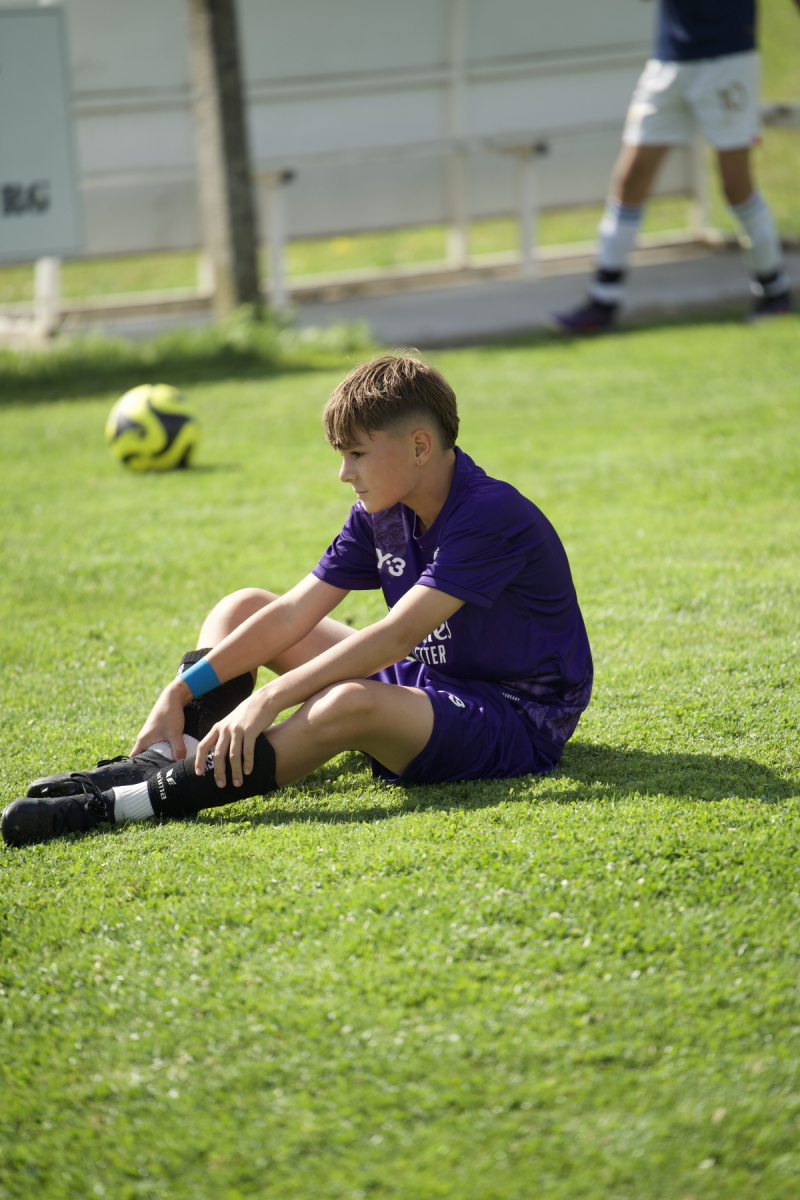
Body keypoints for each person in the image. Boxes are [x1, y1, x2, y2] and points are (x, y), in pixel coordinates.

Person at [1, 356, 593, 848]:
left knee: (347, 702)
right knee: (242, 607)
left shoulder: (489, 514)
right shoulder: (380, 512)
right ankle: (166, 757)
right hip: (430, 681)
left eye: (357, 454)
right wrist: (180, 692)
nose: (344, 473)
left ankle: (126, 804)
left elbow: (396, 636)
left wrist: (268, 699)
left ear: (420, 446)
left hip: (515, 715)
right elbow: (290, 615)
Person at [549, 0, 797, 334]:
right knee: (631, 178)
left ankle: (774, 292)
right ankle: (602, 302)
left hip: (728, 58)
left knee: (735, 185)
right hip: (669, 60)